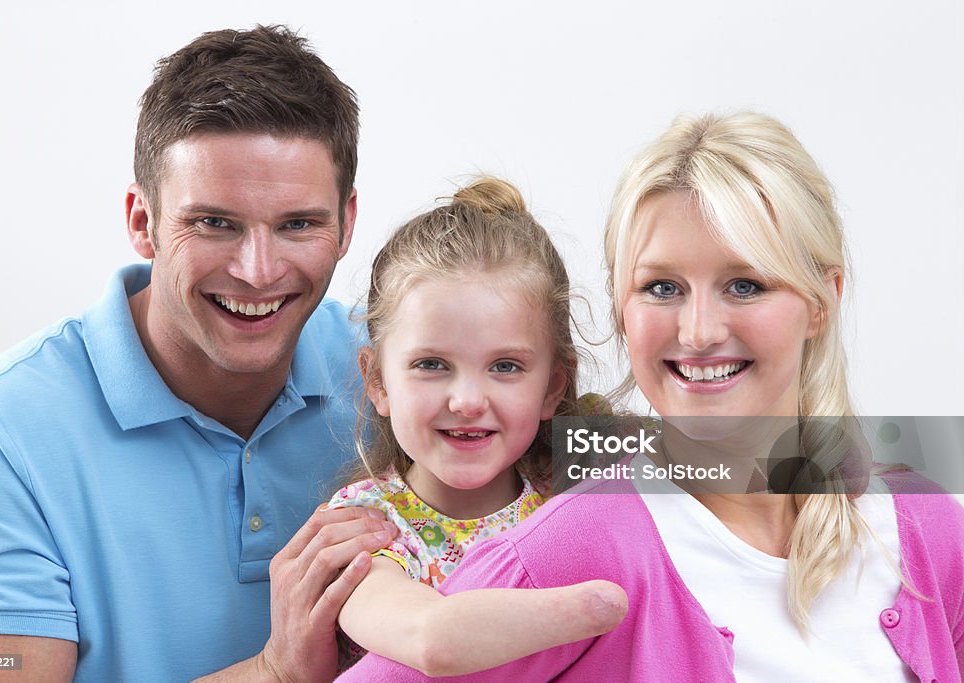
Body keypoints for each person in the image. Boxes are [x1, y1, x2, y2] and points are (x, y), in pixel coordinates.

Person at [339, 112, 964, 680]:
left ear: (823, 300)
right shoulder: (575, 550)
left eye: (745, 285)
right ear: (622, 308)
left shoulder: (928, 528)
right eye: (661, 288)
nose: (697, 332)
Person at [0, 26, 399, 681]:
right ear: (141, 220)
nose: (257, 270)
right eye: (214, 222)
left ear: (347, 222)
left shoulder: (405, 369)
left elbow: (587, 467)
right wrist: (274, 672)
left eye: (298, 224)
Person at [325, 177, 627, 675]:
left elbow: (762, 458)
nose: (467, 401)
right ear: (378, 382)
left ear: (553, 387)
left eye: (505, 367)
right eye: (431, 364)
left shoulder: (567, 496)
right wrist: (597, 606)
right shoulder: (365, 526)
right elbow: (430, 640)